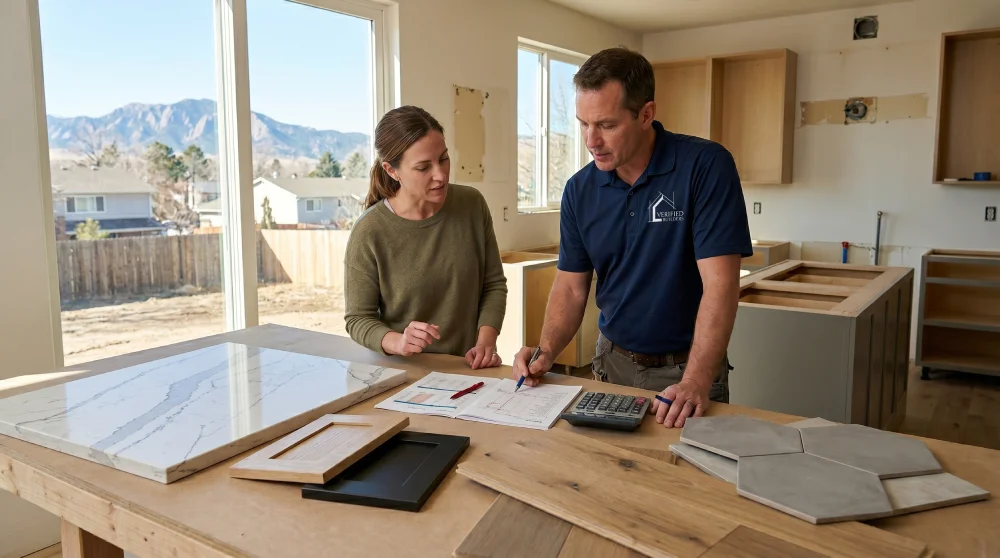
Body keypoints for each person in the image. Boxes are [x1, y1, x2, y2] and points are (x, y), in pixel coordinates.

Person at [511, 47, 752, 428]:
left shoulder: (705, 167)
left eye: (606, 125)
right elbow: (572, 288)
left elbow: (721, 285)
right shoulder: (579, 190)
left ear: (646, 115)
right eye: (583, 124)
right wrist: (546, 351)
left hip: (686, 372)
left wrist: (695, 380)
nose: (591, 140)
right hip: (610, 365)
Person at [343, 105, 508, 369]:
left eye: (443, 158)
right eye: (423, 167)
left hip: (468, 368)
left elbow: (493, 284)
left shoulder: (472, 205)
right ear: (391, 170)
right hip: (403, 374)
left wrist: (486, 342)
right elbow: (358, 320)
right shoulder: (370, 231)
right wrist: (398, 341)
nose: (440, 175)